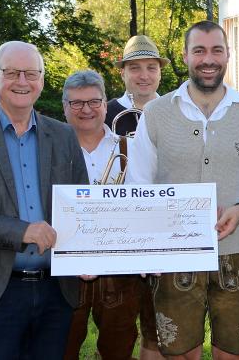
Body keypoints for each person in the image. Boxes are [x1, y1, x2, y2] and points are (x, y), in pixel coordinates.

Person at [126, 21, 239, 360]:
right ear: (185, 55)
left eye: (216, 50)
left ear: (228, 55)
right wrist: (148, 247)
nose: (208, 59)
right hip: (175, 255)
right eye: (199, 50)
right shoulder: (156, 113)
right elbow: (138, 185)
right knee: (179, 353)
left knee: (232, 353)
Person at [0, 41, 88, 360]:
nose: (22, 81)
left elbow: (83, 203)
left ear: (42, 81)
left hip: (56, 291)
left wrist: (88, 254)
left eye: (31, 73)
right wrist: (21, 232)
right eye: (11, 73)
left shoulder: (63, 136)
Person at [77, 34, 167, 360]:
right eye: (135, 68)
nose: (143, 75)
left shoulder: (173, 110)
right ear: (123, 73)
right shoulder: (106, 110)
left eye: (150, 67)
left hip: (159, 224)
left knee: (157, 325)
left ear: (160, 71)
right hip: (116, 229)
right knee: (121, 324)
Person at [56, 70, 148, 360]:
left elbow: (144, 204)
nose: (87, 109)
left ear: (106, 105)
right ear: (65, 107)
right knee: (61, 347)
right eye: (77, 103)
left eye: (94, 102)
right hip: (67, 272)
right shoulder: (51, 148)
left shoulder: (130, 148)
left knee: (118, 349)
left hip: (119, 272)